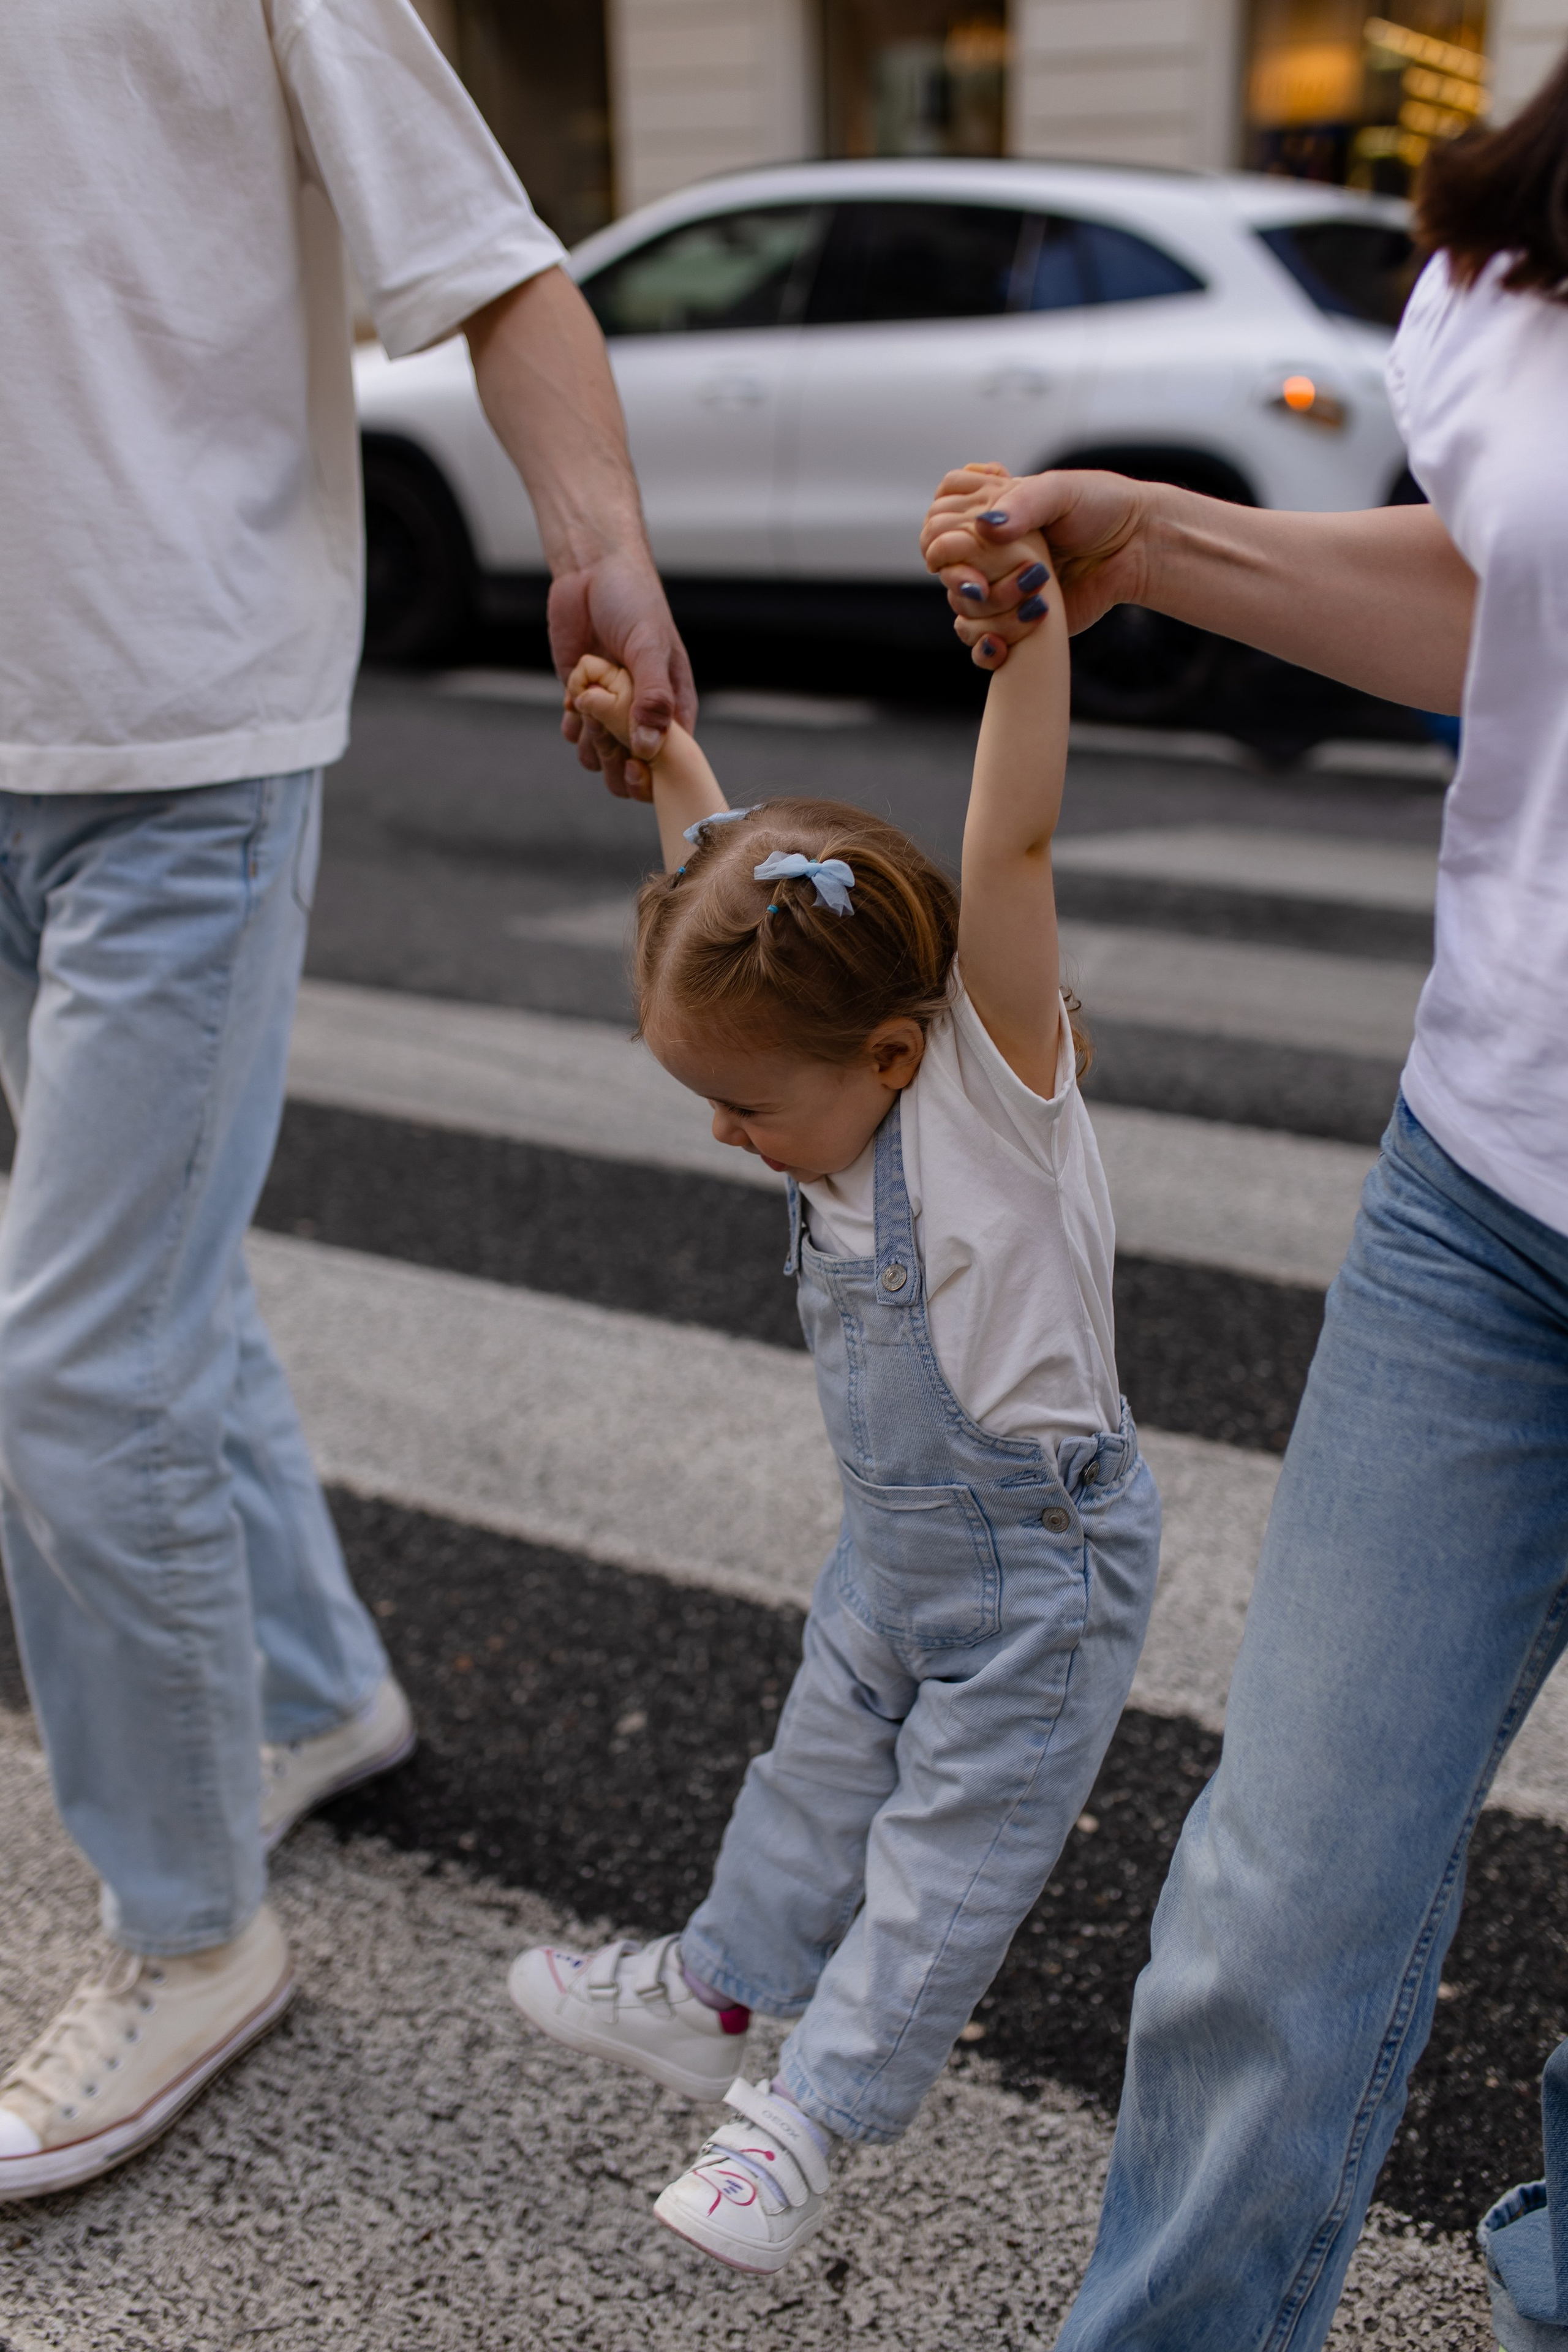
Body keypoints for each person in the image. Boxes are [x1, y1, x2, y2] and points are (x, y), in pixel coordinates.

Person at [0, 0, 691, 2201]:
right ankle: (309, 1690)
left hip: (184, 730)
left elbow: (494, 260)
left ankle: (191, 1933)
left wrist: (605, 544)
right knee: (138, 1288)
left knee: (74, 1357)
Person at [920, 53, 1568, 2351]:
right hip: (1491, 1200)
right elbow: (1507, 607)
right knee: (1270, 1912)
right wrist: (1166, 539)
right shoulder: (1518, 243)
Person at [505, 502, 1163, 2276]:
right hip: (901, 1546)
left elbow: (1008, 846)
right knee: (811, 1779)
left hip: (1039, 1576)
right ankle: (716, 1995)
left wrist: (1025, 635)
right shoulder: (824, 1069)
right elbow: (726, 859)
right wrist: (659, 748)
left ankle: (801, 2123)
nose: (731, 1139)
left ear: (889, 1053)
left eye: (747, 1108)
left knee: (942, 1862)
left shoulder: (985, 1099)